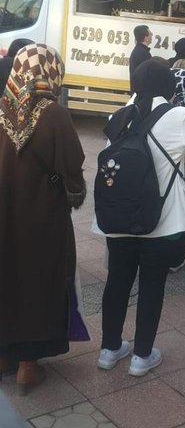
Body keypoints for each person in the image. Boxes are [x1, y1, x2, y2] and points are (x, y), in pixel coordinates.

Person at [94, 59, 185, 376]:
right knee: (152, 285)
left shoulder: (118, 115)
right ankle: (141, 356)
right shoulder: (178, 116)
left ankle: (109, 350)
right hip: (160, 220)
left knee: (117, 282)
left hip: (118, 215)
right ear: (169, 87)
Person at [0, 44, 87, 395]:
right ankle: (27, 365)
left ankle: (4, 356)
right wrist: (74, 191)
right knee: (39, 280)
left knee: (6, 275)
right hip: (42, 218)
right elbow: (72, 165)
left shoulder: (2, 108)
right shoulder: (54, 114)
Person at [129, 25, 152, 93]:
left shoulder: (139, 51)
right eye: (150, 34)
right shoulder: (143, 53)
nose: (152, 36)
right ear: (146, 38)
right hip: (141, 93)